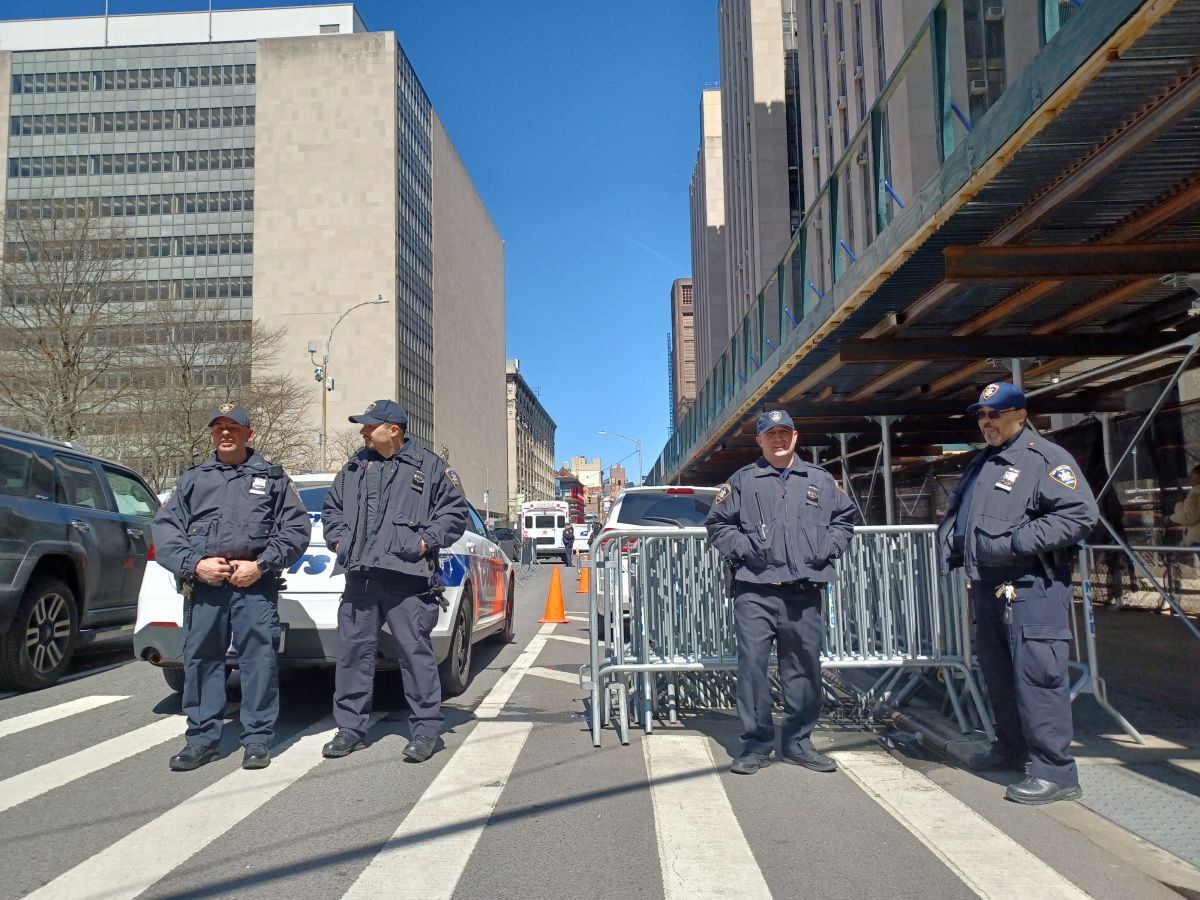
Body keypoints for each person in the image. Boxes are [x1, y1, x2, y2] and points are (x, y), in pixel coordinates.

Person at [936, 382, 1098, 805]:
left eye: (996, 413)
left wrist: (1016, 543)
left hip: (1033, 587)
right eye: (981, 414)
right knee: (1000, 675)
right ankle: (1011, 749)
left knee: (1038, 678)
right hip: (990, 586)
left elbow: (1080, 513)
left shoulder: (1045, 459)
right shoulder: (985, 462)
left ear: (1020, 416)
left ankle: (1055, 772)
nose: (986, 421)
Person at [153, 402, 311, 772]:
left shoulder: (272, 478)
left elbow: (296, 530)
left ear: (248, 434)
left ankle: (257, 739)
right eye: (219, 428)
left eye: (234, 428)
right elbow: (165, 531)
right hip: (205, 587)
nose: (226, 433)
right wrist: (196, 565)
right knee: (202, 660)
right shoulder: (193, 480)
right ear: (212, 434)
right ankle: (202, 739)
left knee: (258, 660)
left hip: (254, 586)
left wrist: (261, 565)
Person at [705, 409, 856, 775]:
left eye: (784, 432)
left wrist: (828, 548)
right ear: (759, 440)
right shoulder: (742, 481)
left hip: (803, 591)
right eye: (770, 434)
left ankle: (798, 742)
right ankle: (756, 744)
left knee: (803, 666)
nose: (778, 439)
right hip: (755, 590)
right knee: (753, 667)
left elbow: (844, 519)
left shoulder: (819, 479)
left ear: (795, 436)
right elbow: (717, 525)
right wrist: (746, 550)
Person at [320, 400, 469, 763]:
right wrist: (338, 539)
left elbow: (454, 512)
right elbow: (332, 509)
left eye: (370, 426)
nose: (363, 432)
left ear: (394, 430)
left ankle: (425, 731)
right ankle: (350, 728)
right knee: (353, 653)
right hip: (360, 574)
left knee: (413, 653)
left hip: (406, 575)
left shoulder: (430, 467)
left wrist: (424, 541)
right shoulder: (355, 465)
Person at [1167, 465, 1200, 546]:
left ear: (1198, 479)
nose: (1190, 479)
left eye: (1191, 476)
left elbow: (1188, 517)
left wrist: (1172, 517)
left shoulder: (1195, 495)